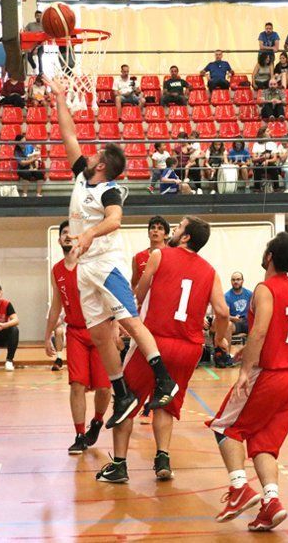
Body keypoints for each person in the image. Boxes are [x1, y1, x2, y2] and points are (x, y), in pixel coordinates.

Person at [45, 75, 179, 428]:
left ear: (102, 166)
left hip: (105, 263)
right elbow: (69, 135)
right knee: (101, 334)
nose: (89, 155)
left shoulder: (109, 190)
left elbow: (115, 219)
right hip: (84, 267)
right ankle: (122, 391)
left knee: (129, 321)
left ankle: (164, 377)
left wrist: (89, 232)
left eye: (96, 155)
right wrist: (60, 97)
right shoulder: (80, 177)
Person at [98, 217, 230, 483]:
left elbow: (138, 294)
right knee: (166, 404)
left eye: (179, 226)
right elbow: (223, 312)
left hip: (154, 342)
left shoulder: (159, 255)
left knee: (127, 401)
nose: (174, 229)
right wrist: (219, 340)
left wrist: (125, 324)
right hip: (188, 348)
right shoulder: (211, 271)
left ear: (185, 237)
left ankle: (120, 465)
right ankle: (162, 459)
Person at [207, 232, 288, 532]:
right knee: (263, 444)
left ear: (270, 257)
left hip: (269, 375)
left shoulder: (264, 288)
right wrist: (242, 354)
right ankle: (271, 502)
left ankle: (239, 488)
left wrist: (245, 370)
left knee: (225, 427)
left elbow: (260, 332)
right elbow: (274, 335)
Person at [44, 221, 112, 454]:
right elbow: (55, 307)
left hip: (100, 331)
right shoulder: (57, 270)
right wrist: (47, 336)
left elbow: (109, 300)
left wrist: (116, 331)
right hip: (75, 333)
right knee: (77, 385)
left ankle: (97, 421)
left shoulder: (91, 266)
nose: (66, 236)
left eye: (69, 233)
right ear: (59, 240)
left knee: (104, 389)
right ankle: (80, 434)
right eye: (62, 233)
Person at [131, 216, 170, 290]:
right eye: (153, 227)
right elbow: (134, 284)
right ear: (148, 234)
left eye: (160, 228)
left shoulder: (172, 255)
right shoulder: (137, 257)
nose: (155, 230)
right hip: (145, 299)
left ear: (166, 235)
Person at [225, 272, 253, 345]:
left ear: (242, 281)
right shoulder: (227, 296)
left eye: (238, 279)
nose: (236, 282)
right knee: (228, 326)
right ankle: (227, 354)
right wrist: (233, 318)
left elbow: (256, 309)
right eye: (233, 280)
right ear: (231, 281)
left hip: (248, 322)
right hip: (236, 323)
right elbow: (226, 315)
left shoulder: (250, 294)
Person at [251, 128, 280, 192]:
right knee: (257, 169)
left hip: (269, 162)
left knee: (274, 168)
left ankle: (276, 188)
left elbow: (274, 159)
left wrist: (267, 160)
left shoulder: (273, 144)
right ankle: (257, 189)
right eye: (267, 131)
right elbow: (253, 159)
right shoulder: (256, 144)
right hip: (259, 162)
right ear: (262, 134)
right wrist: (262, 158)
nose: (270, 132)